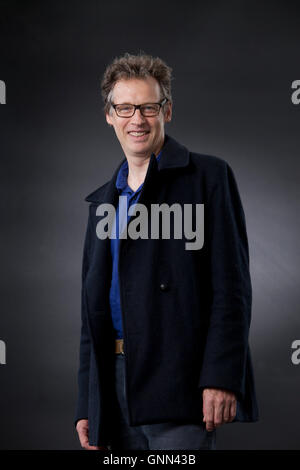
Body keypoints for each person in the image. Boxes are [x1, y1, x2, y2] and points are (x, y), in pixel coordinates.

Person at [74, 52, 259, 451]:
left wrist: (222, 377)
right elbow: (91, 314)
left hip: (181, 383)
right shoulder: (102, 203)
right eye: (124, 108)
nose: (136, 119)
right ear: (109, 115)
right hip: (113, 383)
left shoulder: (208, 177)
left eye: (148, 107)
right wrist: (86, 403)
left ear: (167, 110)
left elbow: (232, 288)